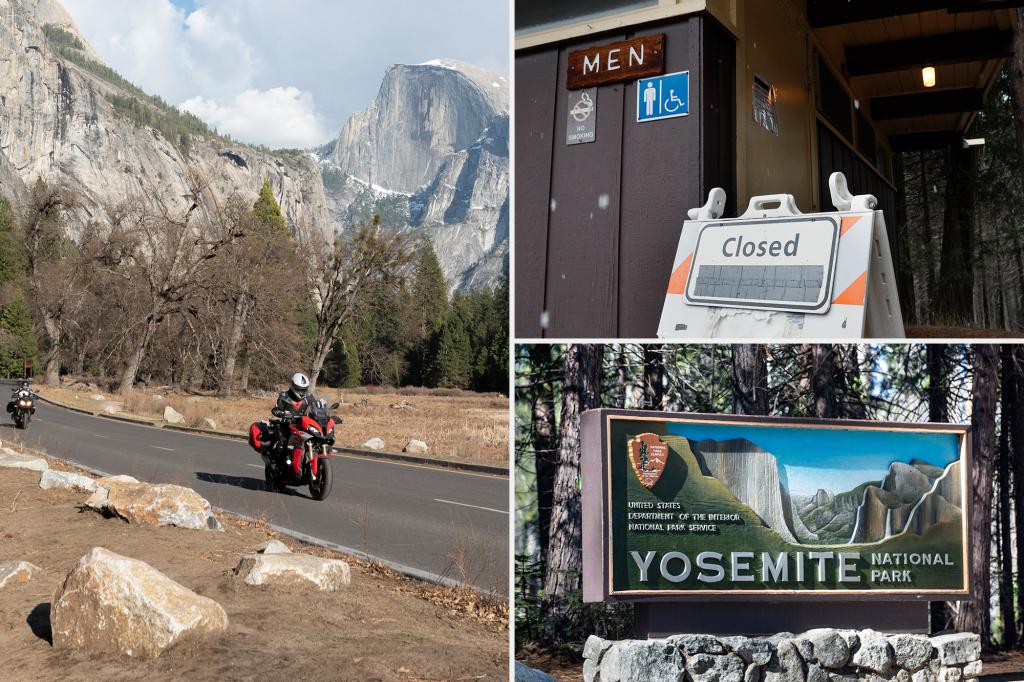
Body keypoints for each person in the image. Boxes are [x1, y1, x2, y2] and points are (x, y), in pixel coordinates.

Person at [271, 373, 317, 475]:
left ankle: (305, 463)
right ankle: (274, 464)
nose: (301, 392)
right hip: (287, 425)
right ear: (292, 386)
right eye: (299, 389)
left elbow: (316, 408)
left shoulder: (309, 397)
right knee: (282, 442)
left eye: (304, 389)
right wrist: (283, 413)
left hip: (303, 426)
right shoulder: (284, 395)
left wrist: (324, 414)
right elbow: (275, 410)